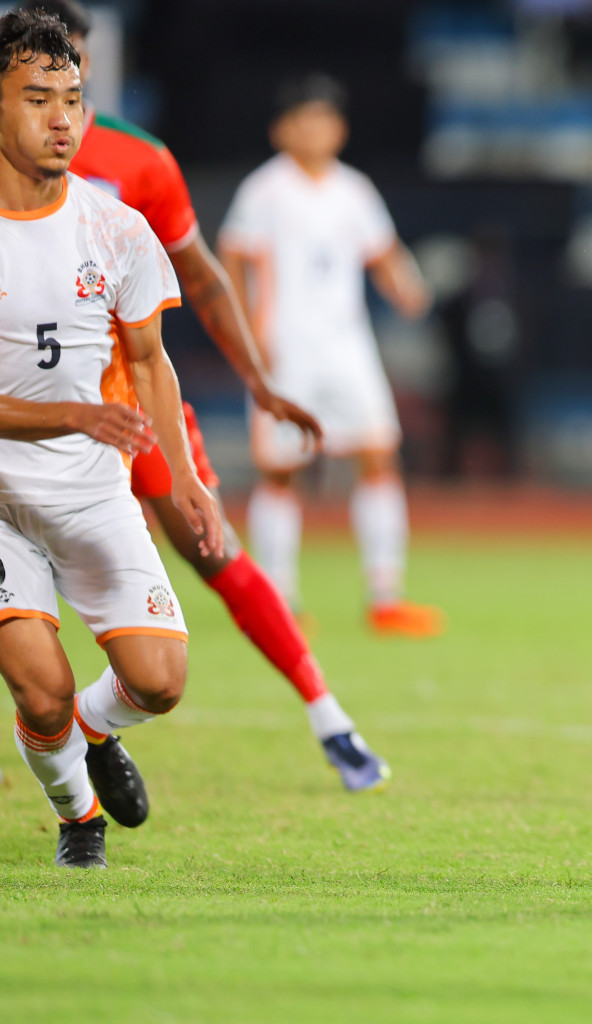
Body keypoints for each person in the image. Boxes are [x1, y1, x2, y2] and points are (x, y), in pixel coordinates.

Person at [19, 0, 391, 793]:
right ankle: (67, 750)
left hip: (126, 403)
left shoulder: (141, 162)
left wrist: (261, 382)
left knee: (213, 551)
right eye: (40, 81)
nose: (62, 99)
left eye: (71, 73)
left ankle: (329, 718)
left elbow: (203, 279)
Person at [0, 9, 222, 867]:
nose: (63, 120)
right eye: (37, 100)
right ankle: (78, 817)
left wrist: (187, 474)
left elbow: (150, 360)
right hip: (4, 500)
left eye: (74, 99)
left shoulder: (115, 228)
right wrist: (73, 414)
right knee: (42, 693)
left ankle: (96, 734)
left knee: (160, 681)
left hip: (92, 488)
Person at [218, 74, 443, 637]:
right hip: (286, 348)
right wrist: (246, 331)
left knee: (377, 457)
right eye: (303, 119)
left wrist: (407, 285)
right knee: (282, 470)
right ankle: (279, 597)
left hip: (347, 346)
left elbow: (384, 253)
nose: (314, 129)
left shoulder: (355, 190)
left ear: (339, 129)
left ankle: (386, 594)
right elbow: (233, 258)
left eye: (323, 119)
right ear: (281, 130)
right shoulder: (263, 191)